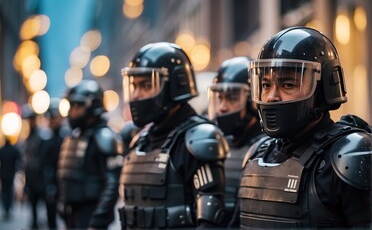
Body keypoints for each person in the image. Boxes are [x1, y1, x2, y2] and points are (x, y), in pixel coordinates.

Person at [238, 26, 372, 228]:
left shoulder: (349, 155)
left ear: (322, 89)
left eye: (288, 85)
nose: (272, 96)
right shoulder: (257, 154)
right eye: (266, 85)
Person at [118, 42, 229, 229]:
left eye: (146, 85)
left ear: (175, 86)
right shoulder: (142, 141)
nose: (136, 95)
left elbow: (210, 219)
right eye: (134, 86)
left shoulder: (197, 140)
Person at [207, 56, 267, 226]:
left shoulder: (268, 149)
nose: (222, 107)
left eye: (232, 98)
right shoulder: (216, 144)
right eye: (220, 98)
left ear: (252, 100)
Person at [57, 80, 123, 229]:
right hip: (73, 216)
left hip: (91, 216)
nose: (72, 111)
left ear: (92, 105)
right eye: (71, 106)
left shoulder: (104, 137)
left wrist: (98, 221)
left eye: (77, 106)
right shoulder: (76, 136)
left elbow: (112, 184)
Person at [40, 98, 69, 229]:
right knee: (51, 217)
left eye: (54, 117)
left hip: (65, 183)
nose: (52, 121)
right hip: (51, 182)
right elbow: (44, 163)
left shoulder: (66, 137)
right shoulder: (46, 140)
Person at [21, 103, 49, 229]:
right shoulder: (28, 138)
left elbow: (44, 159)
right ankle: (35, 222)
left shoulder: (42, 136)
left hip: (41, 178)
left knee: (46, 206)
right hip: (31, 177)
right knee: (33, 205)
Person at [0, 137, 21, 220]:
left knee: (4, 192)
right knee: (9, 191)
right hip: (11, 173)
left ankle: (6, 209)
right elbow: (19, 159)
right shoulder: (14, 150)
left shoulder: (2, 150)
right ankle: (8, 209)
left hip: (3, 174)